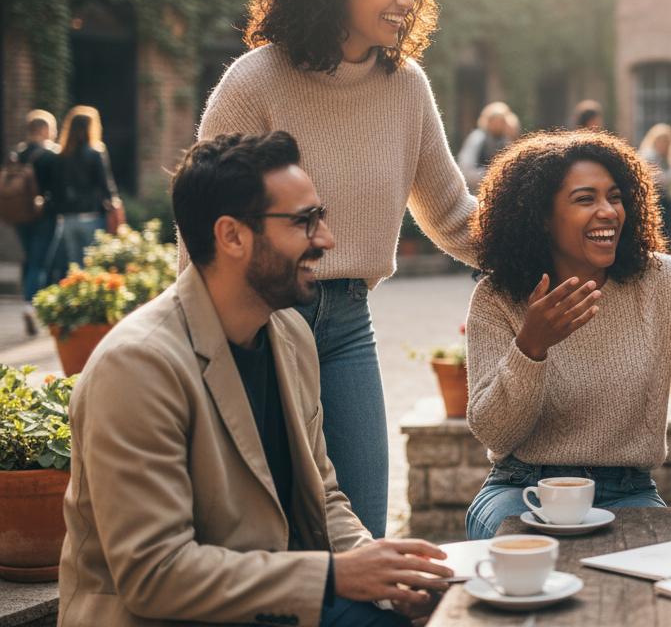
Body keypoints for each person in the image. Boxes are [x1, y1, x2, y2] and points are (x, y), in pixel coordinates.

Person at [59, 131, 454, 627]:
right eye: (304, 222)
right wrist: (333, 577)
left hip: (273, 607)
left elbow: (323, 495)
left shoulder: (289, 331)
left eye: (321, 217)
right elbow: (154, 575)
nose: (327, 239)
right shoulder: (137, 366)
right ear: (232, 236)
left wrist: (385, 577)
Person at [195, 0, 478, 538]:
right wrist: (203, 346)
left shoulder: (407, 85)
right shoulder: (256, 80)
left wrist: (547, 248)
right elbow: (203, 229)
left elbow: (454, 214)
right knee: (269, 532)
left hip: (350, 325)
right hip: (258, 324)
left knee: (363, 532)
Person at [463, 130, 671, 540]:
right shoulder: (498, 298)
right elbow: (494, 433)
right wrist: (531, 347)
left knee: (658, 573)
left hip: (627, 490)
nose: (608, 212)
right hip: (522, 488)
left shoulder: (661, 280)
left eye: (614, 197)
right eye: (585, 199)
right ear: (542, 217)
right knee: (530, 556)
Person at [9, 110, 60, 334]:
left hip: (20, 215)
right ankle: (31, 307)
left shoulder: (18, 153)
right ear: (48, 129)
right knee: (39, 264)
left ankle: (29, 302)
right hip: (44, 215)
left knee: (29, 260)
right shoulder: (52, 155)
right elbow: (57, 188)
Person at [54, 107, 120, 270]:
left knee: (74, 266)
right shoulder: (95, 152)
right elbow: (105, 185)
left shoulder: (60, 155)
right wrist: (113, 204)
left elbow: (56, 188)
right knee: (92, 264)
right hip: (91, 214)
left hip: (68, 216)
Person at [637, 122, 671, 242]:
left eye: (666, 141)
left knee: (668, 229)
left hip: (667, 201)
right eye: (660, 140)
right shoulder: (647, 157)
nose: (663, 144)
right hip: (650, 199)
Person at [457, 102, 519, 189]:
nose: (499, 124)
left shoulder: (505, 140)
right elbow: (466, 169)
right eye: (496, 120)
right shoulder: (478, 138)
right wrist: (492, 175)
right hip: (477, 189)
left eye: (502, 121)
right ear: (488, 120)